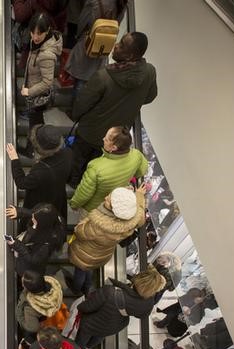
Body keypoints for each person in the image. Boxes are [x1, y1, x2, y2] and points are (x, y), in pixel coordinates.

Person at [71, 31, 157, 180]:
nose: (116, 45)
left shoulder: (103, 76)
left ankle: (73, 181)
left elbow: (82, 103)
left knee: (77, 160)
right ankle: (86, 184)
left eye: (121, 45)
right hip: (116, 137)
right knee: (97, 164)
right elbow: (150, 96)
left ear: (129, 56)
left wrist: (76, 116)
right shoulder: (149, 72)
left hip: (89, 131)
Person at [68, 185, 147, 294]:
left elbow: (79, 231)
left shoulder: (98, 225)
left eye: (109, 199)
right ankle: (87, 287)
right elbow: (140, 214)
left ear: (114, 209)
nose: (105, 198)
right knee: (89, 269)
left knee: (80, 271)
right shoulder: (131, 221)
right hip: (102, 254)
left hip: (85, 253)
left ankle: (76, 289)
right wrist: (137, 196)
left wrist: (87, 219)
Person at [73, 266, 166, 349]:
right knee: (101, 334)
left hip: (92, 323)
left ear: (139, 277)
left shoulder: (109, 292)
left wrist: (79, 307)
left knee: (84, 334)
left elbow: (86, 307)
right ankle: (89, 346)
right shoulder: (149, 303)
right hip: (115, 325)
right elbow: (141, 316)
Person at [6, 124, 73, 224]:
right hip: (58, 199)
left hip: (39, 205)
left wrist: (15, 159)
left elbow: (21, 183)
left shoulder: (39, 171)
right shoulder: (68, 153)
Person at [69, 127, 148, 210]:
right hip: (115, 202)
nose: (103, 139)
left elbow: (84, 193)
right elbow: (142, 171)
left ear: (113, 148)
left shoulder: (96, 167)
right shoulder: (137, 155)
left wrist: (74, 205)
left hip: (95, 208)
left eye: (106, 140)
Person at [66, 0, 128, 101]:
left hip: (87, 43)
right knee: (93, 80)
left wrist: (78, 36)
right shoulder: (122, 4)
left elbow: (82, 22)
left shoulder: (94, 2)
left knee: (80, 80)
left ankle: (76, 108)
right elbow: (116, 24)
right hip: (104, 46)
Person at [21, 13, 63, 129]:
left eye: (39, 33)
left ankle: (34, 144)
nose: (35, 37)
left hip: (38, 98)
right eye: (32, 32)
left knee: (35, 127)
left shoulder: (47, 55)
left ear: (47, 30)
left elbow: (47, 83)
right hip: (33, 92)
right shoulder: (37, 43)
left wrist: (29, 91)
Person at [6, 203, 65, 277]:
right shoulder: (52, 217)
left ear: (42, 225)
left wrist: (16, 244)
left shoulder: (47, 244)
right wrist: (20, 212)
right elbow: (37, 213)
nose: (32, 218)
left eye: (35, 221)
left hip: (29, 268)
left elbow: (32, 259)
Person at [16, 270, 64, 340]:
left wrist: (20, 316)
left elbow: (32, 328)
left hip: (41, 318)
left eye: (24, 284)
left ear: (28, 289)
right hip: (49, 312)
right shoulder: (54, 286)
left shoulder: (30, 307)